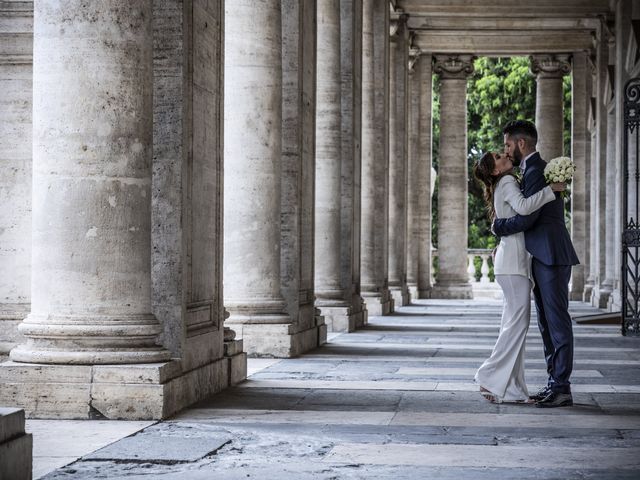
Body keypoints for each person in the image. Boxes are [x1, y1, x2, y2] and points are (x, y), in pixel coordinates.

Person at [492, 120, 580, 408]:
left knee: (556, 321)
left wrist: (498, 226)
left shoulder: (538, 171)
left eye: (507, 145)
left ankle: (562, 386)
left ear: (520, 144)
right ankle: (554, 382)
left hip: (551, 254)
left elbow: (528, 217)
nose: (505, 150)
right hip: (541, 255)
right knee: (545, 323)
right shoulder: (531, 171)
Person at [473, 151, 565, 403]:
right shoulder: (507, 181)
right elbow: (524, 208)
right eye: (500, 157)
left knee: (514, 325)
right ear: (495, 170)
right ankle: (489, 376)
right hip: (513, 265)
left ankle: (513, 390)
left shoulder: (503, 182)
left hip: (511, 263)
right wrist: (551, 191)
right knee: (517, 325)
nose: (506, 155)